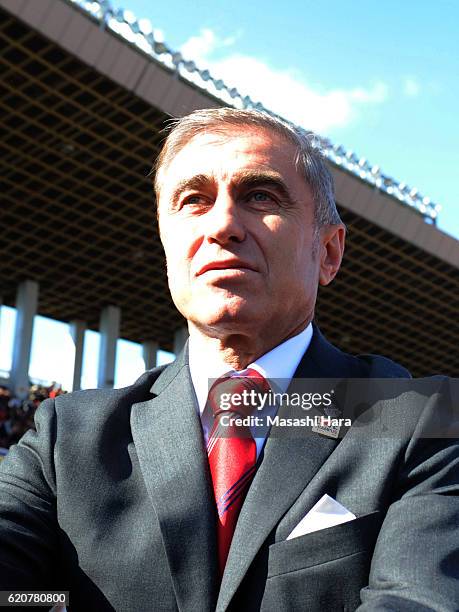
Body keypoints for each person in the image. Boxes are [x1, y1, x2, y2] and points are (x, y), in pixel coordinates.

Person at [0, 108, 457, 611]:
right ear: (167, 245)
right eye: (193, 200)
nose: (222, 225)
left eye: (259, 196)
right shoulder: (67, 438)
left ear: (328, 251)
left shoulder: (420, 420)